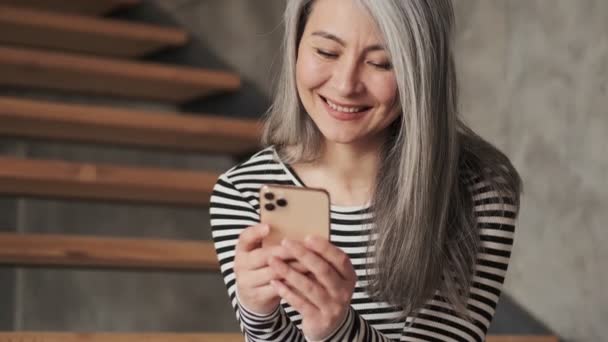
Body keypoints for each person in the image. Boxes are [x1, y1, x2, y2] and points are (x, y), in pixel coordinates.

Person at [209, 0, 523, 340]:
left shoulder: (477, 190)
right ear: (296, 46)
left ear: (421, 71)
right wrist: (259, 316)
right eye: (327, 52)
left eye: (381, 62)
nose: (346, 85)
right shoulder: (241, 192)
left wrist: (337, 328)